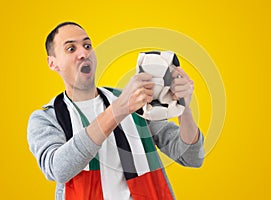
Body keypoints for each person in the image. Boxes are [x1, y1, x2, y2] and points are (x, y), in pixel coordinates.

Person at [27, 22, 204, 200]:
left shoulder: (134, 101)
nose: (83, 53)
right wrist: (119, 110)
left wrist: (182, 108)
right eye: (71, 49)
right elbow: (58, 169)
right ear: (53, 63)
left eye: (87, 46)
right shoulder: (46, 118)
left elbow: (191, 157)